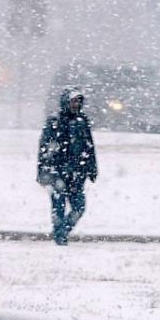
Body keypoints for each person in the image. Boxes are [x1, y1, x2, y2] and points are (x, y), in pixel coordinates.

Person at [37, 87, 98, 245]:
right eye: (73, 101)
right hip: (58, 173)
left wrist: (92, 168)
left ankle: (62, 231)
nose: (76, 104)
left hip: (78, 173)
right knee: (59, 206)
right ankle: (60, 235)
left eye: (78, 101)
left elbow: (89, 146)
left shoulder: (82, 121)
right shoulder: (54, 121)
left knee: (79, 207)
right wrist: (44, 171)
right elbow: (45, 148)